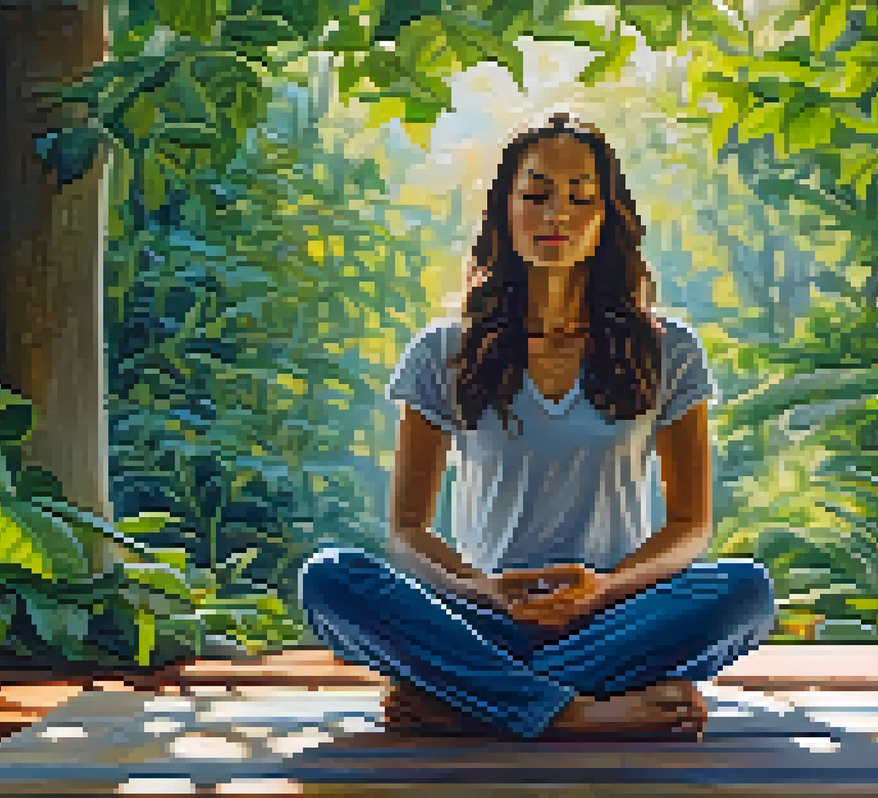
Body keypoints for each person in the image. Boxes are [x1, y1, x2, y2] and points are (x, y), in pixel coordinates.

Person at [298, 113, 775, 740]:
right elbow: (408, 532)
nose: (558, 216)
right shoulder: (443, 352)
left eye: (582, 198)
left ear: (608, 218)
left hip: (615, 617)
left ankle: (472, 700)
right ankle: (574, 712)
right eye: (537, 195)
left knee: (745, 592)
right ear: (504, 208)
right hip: (479, 613)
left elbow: (691, 526)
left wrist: (603, 591)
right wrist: (485, 591)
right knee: (331, 577)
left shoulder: (668, 350)